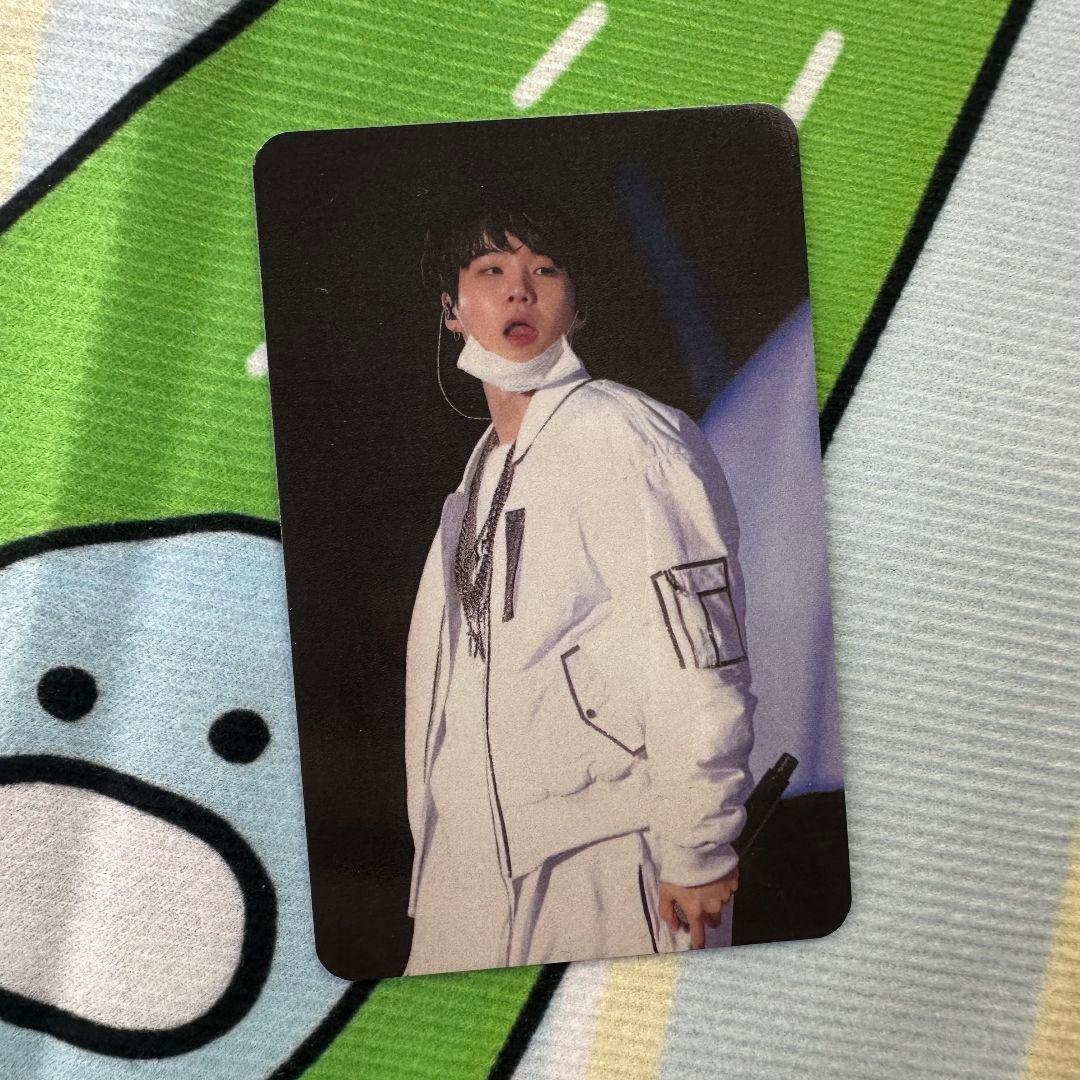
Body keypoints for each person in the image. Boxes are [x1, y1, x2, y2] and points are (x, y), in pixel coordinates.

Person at [403, 195, 756, 976]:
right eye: (490, 270)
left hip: (603, 854)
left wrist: (698, 845)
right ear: (451, 310)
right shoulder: (479, 474)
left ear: (579, 303)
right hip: (470, 873)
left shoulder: (625, 434)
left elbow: (697, 655)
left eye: (544, 269)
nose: (519, 289)